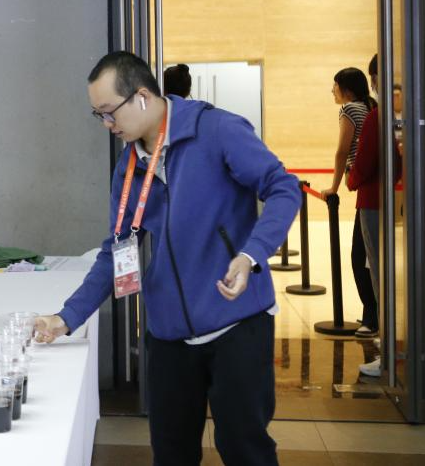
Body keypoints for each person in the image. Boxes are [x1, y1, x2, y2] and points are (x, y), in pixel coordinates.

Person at [35, 51, 300, 466]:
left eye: (109, 112)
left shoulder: (217, 130)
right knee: (171, 453)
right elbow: (117, 249)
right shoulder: (128, 167)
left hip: (237, 322)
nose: (106, 124)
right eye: (98, 115)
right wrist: (66, 317)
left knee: (245, 450)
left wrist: (251, 254)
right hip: (168, 335)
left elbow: (284, 188)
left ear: (141, 97)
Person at [346, 55, 401, 377]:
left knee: (377, 270)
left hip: (371, 200)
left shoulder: (375, 117)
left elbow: (363, 162)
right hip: (386, 198)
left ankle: (389, 351)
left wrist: (350, 180)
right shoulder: (384, 115)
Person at [321, 67, 377, 339]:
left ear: (347, 89)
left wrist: (333, 187)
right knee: (367, 256)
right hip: (373, 185)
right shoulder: (369, 106)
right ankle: (372, 313)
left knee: (360, 256)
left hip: (366, 185)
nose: (332, 91)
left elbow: (342, 151)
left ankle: (372, 317)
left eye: (335, 86)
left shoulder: (349, 109)